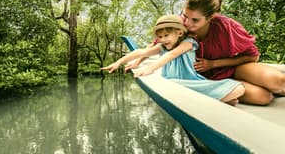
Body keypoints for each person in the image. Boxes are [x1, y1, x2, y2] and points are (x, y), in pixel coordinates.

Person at [101, 15, 245, 106]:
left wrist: (149, 69)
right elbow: (142, 51)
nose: (163, 40)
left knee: (238, 89)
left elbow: (171, 55)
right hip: (173, 83)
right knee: (232, 99)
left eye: (166, 35)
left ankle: (214, 98)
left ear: (179, 32)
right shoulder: (163, 46)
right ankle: (218, 99)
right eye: (160, 36)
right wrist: (118, 62)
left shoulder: (188, 43)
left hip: (190, 81)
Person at [182, 0, 285, 105]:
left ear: (210, 17)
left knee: (280, 81)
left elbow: (252, 57)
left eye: (195, 20)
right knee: (263, 97)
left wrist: (213, 64)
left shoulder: (226, 27)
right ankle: (240, 85)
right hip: (208, 81)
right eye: (185, 16)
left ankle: (260, 83)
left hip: (234, 69)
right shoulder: (177, 28)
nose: (187, 23)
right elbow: (161, 47)